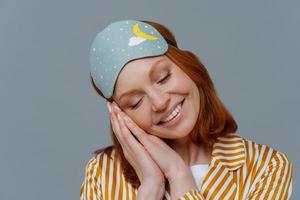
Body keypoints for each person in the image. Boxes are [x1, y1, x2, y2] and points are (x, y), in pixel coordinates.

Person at [80, 19, 293, 200]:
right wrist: (151, 188)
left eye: (163, 78)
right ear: (121, 115)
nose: (160, 102)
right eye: (136, 102)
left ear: (188, 66)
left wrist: (179, 175)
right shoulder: (103, 172)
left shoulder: (266, 167)